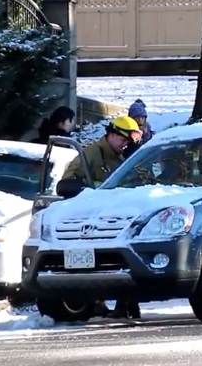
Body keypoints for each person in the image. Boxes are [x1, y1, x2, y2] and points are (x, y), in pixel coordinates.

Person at [61, 116, 142, 319]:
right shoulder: (90, 155)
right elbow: (66, 184)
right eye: (123, 140)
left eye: (129, 143)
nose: (125, 145)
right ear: (112, 134)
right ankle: (97, 303)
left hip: (120, 220)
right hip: (92, 222)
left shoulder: (125, 159)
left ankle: (126, 304)